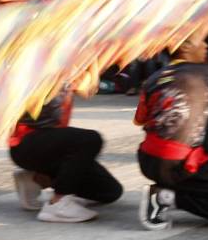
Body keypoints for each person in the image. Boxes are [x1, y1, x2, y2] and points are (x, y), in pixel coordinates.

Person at [135, 33, 208, 229]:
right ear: (185, 48)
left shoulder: (154, 78)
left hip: (147, 160)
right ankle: (167, 197)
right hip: (175, 165)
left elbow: (141, 119)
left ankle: (181, 183)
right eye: (201, 41)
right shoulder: (204, 72)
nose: (206, 46)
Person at [9, 88, 124, 223]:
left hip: (49, 146)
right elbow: (87, 88)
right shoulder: (39, 74)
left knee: (110, 191)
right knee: (90, 139)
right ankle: (58, 203)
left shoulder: (65, 75)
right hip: (27, 143)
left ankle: (36, 178)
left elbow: (86, 88)